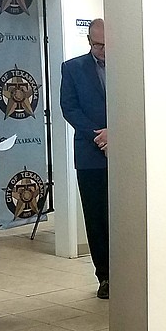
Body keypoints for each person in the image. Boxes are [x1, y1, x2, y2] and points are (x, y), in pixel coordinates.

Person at [60, 18, 109, 299]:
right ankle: (104, 276)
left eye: (106, 44)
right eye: (97, 44)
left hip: (125, 153)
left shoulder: (129, 65)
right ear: (89, 41)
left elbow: (136, 103)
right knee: (96, 217)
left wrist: (115, 132)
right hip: (91, 154)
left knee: (124, 217)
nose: (101, 50)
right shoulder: (73, 68)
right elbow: (70, 107)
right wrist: (99, 135)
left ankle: (129, 272)